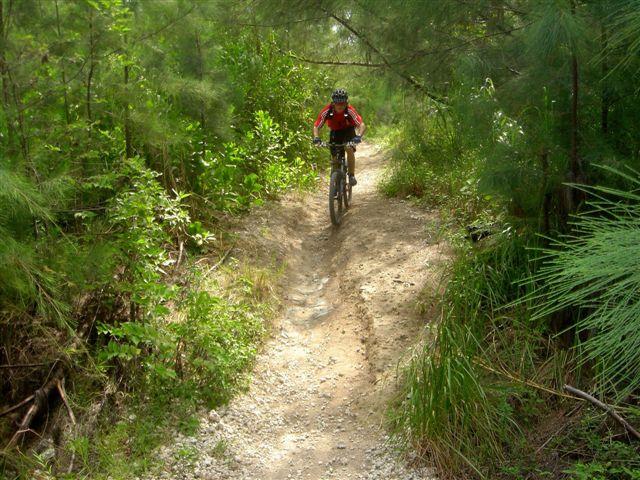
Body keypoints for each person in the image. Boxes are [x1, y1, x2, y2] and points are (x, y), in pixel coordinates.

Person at [313, 88, 366, 186]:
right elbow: (317, 126)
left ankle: (351, 175)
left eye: (342, 103)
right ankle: (335, 180)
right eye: (337, 103)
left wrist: (358, 136)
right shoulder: (327, 111)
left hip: (348, 131)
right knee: (334, 156)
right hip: (335, 132)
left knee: (348, 148)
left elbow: (361, 124)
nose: (340, 106)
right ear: (333, 103)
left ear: (346, 103)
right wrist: (316, 137)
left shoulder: (350, 110)